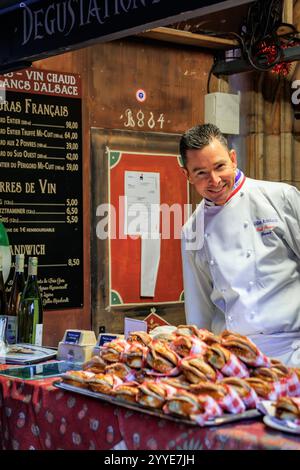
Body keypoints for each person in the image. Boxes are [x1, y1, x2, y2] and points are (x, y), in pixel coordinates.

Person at [180, 123, 300, 366]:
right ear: (188, 175)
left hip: (293, 351)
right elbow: (199, 309)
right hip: (235, 360)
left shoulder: (281, 198)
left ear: (233, 159)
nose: (214, 180)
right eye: (201, 173)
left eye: (219, 167)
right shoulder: (192, 230)